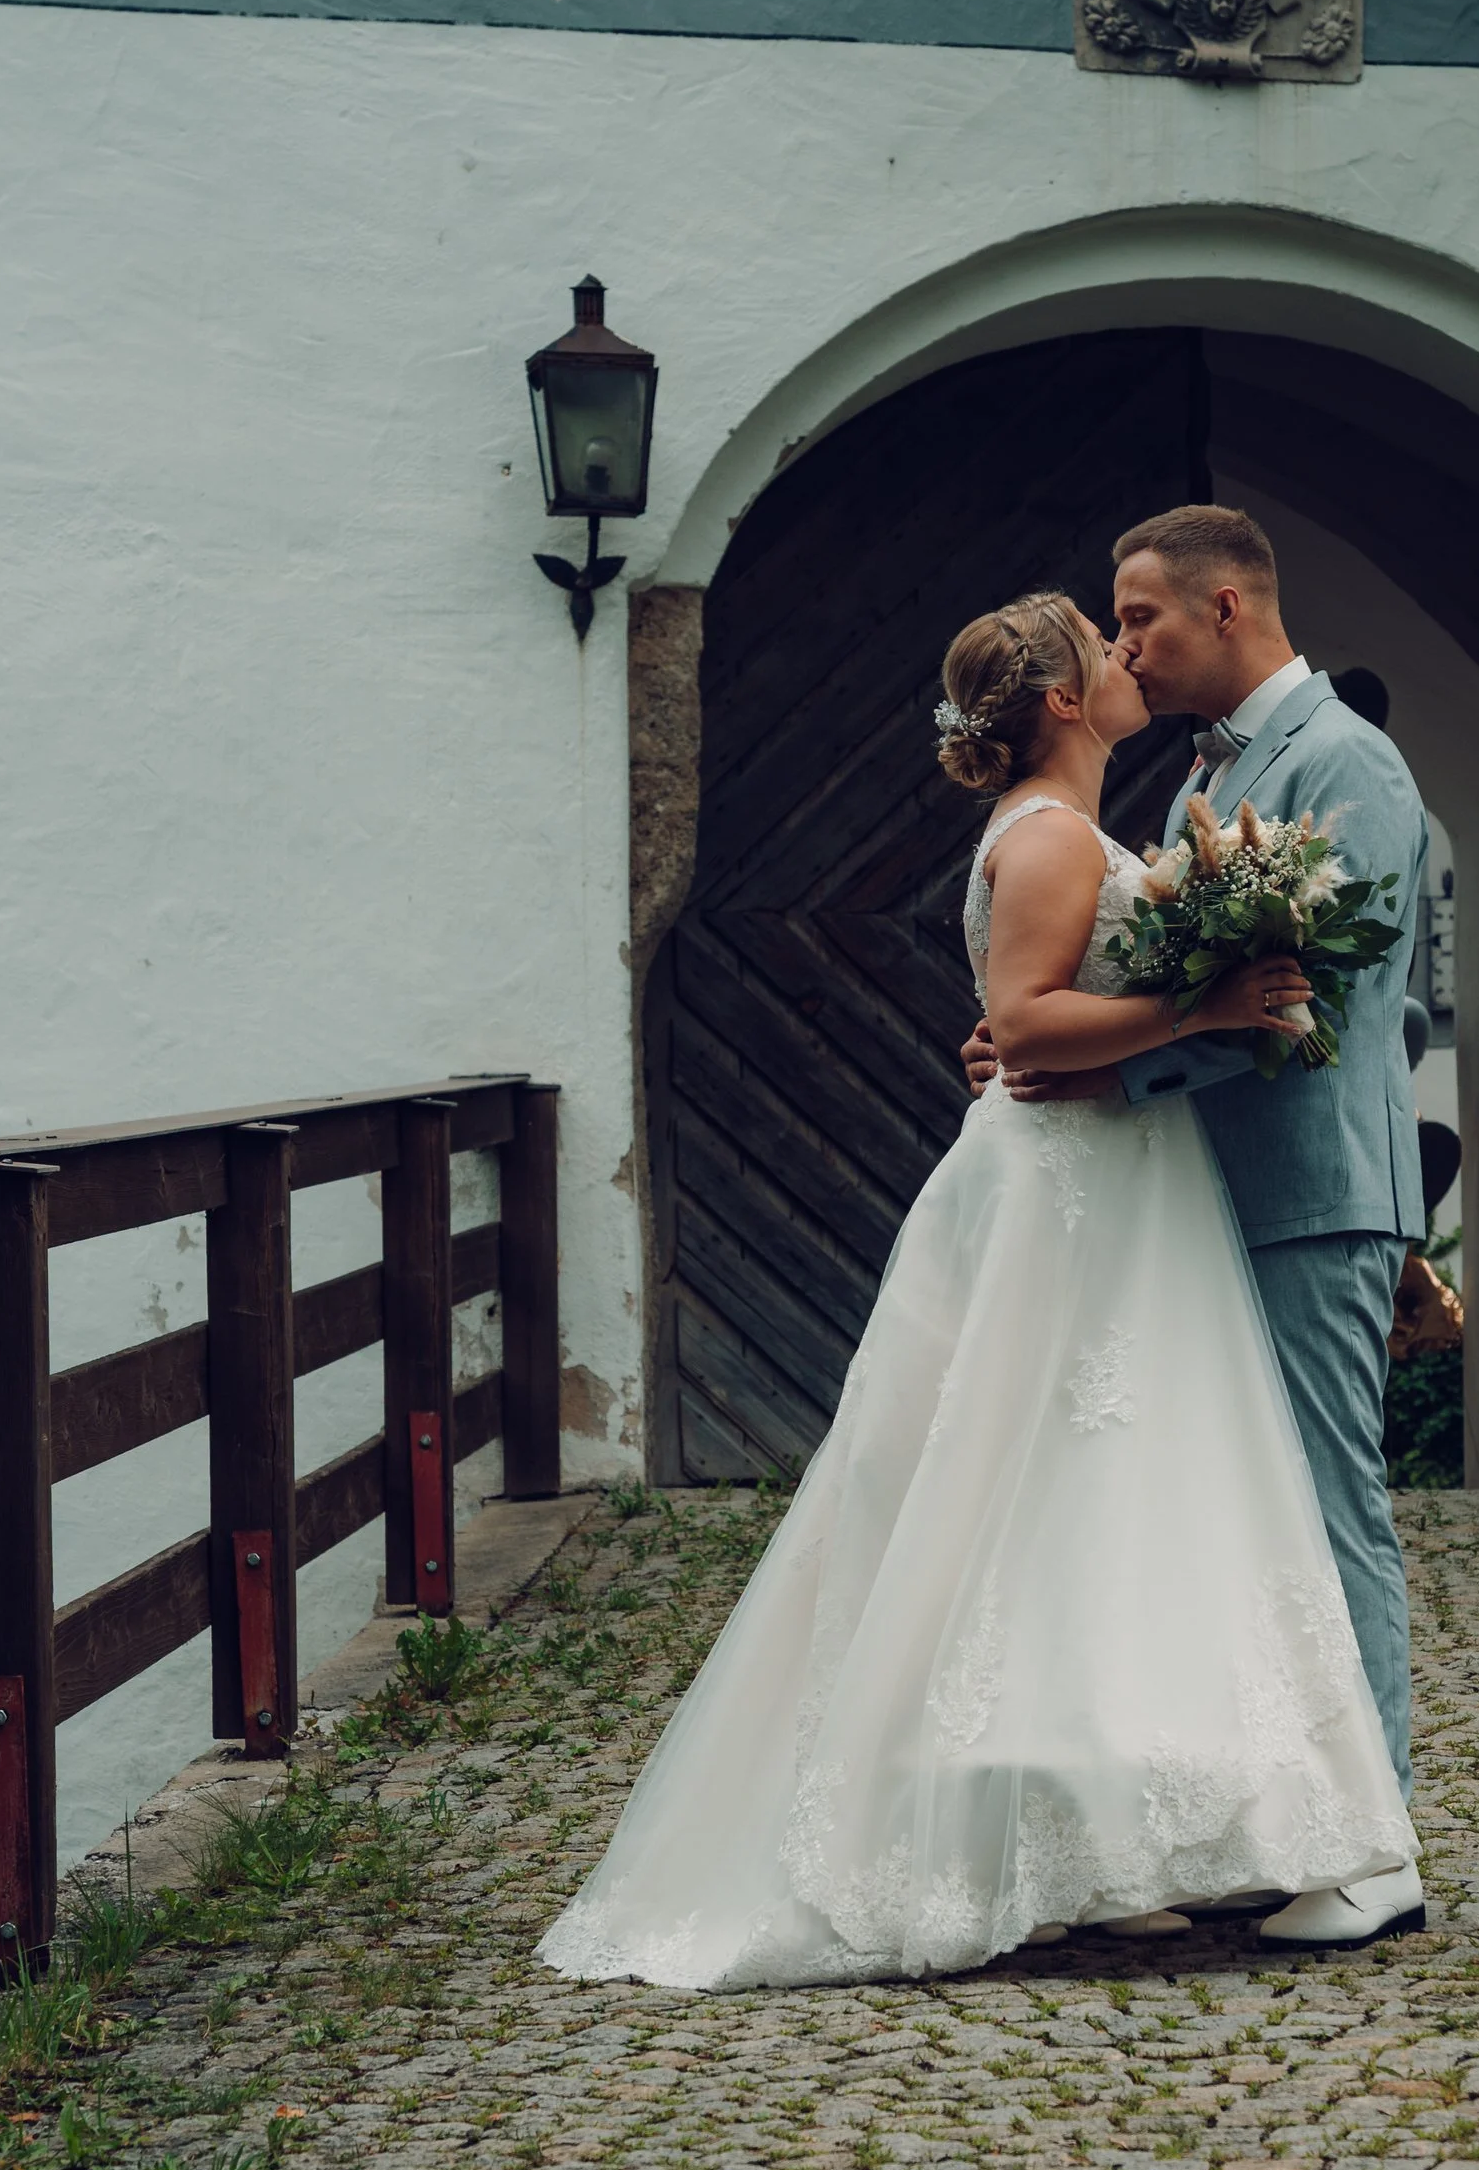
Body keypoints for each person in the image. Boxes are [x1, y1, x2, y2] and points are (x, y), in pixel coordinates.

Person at [538, 591, 1418, 1993]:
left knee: (1078, 1501)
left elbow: (1036, 1015)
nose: (1128, 658)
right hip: (1069, 1194)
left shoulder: (1062, 827)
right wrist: (1206, 1006)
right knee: (1029, 1489)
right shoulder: (1056, 834)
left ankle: (1087, 1844)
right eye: (1105, 641)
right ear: (1063, 703)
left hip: (1110, 1179)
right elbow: (1023, 1025)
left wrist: (1140, 1014)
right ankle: (1036, 1841)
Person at [966, 508, 1430, 1951]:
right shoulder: (1200, 786)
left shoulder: (1343, 760)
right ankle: (1264, 1824)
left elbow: (1312, 1007)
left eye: (1143, 620)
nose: (1128, 648)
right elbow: (1154, 970)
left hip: (1307, 1192)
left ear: (1227, 607)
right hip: (1199, 1197)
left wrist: (1092, 1063)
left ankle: (1373, 1853)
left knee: (1322, 1506)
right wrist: (1033, 1040)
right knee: (1236, 1522)